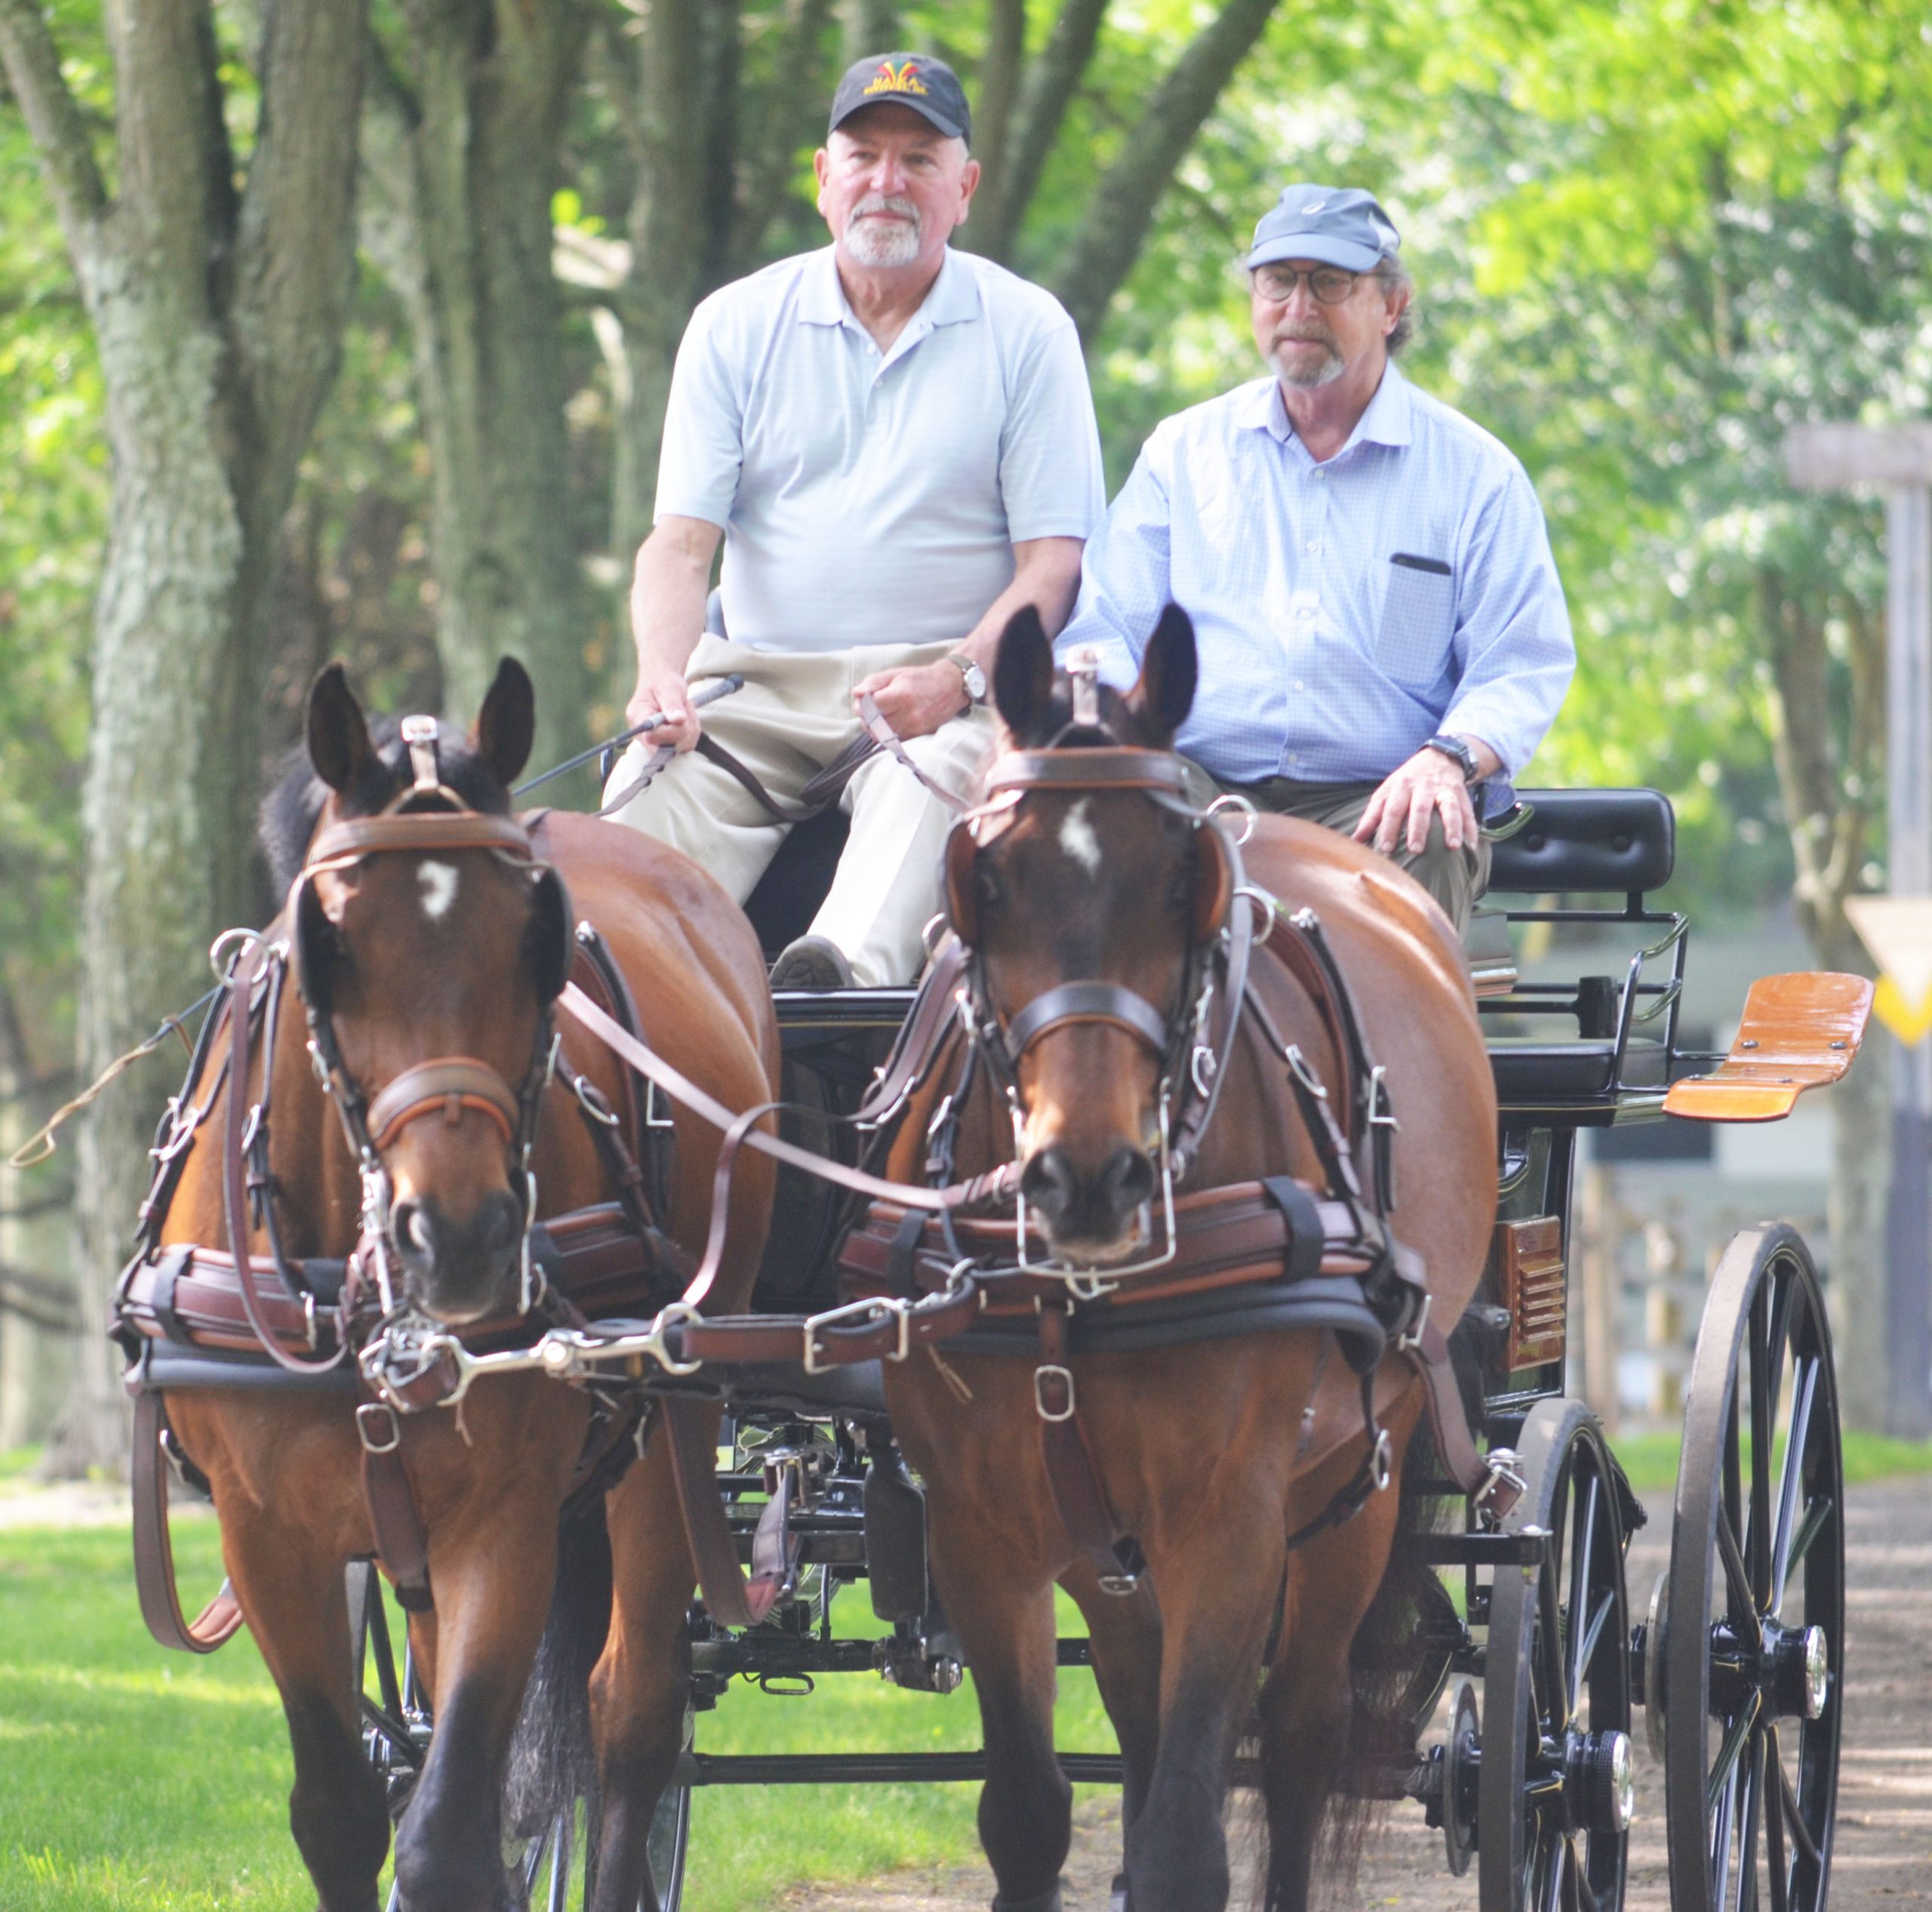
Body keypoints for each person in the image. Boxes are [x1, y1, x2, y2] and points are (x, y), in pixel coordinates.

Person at [605, 51, 1104, 988]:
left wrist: (955, 678)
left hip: (939, 690)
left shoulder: (1028, 330)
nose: (888, 181)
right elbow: (679, 546)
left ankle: (827, 1000)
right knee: (623, 853)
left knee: (931, 794)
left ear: (966, 186)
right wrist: (660, 682)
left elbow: (1053, 568)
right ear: (821, 178)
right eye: (863, 154)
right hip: (746, 690)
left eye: (919, 158)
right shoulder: (732, 323)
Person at [1055, 183, 1575, 934]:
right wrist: (1111, 731)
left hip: (1379, 796)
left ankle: (1393, 1055)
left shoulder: (1475, 475)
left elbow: (1521, 662)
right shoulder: (1183, 453)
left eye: (1330, 282)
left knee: (1430, 822)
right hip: (1198, 785)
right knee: (1101, 810)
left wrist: (1447, 759)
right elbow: (1102, 624)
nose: (1299, 305)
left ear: (1391, 306)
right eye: (1278, 281)